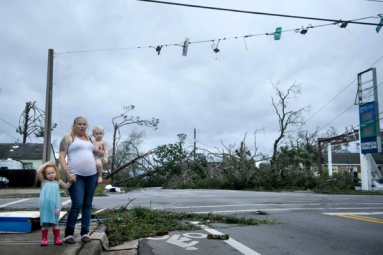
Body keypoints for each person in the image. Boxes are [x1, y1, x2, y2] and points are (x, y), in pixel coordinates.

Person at [59, 116, 103, 244]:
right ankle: (68, 234)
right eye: (79, 124)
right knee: (77, 204)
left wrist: (99, 154)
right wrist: (67, 174)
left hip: (92, 175)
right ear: (74, 126)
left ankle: (85, 233)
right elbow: (61, 157)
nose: (82, 126)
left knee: (87, 205)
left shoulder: (89, 139)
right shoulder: (68, 138)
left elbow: (92, 154)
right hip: (75, 176)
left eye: (84, 124)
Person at [36, 161, 73, 246]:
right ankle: (44, 240)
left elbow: (67, 186)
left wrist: (71, 181)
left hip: (55, 205)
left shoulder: (58, 182)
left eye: (52, 172)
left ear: (56, 172)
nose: (51, 175)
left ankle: (57, 239)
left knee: (55, 222)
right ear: (45, 175)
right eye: (48, 173)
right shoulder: (44, 181)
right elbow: (38, 171)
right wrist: (46, 164)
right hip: (45, 205)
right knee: (45, 223)